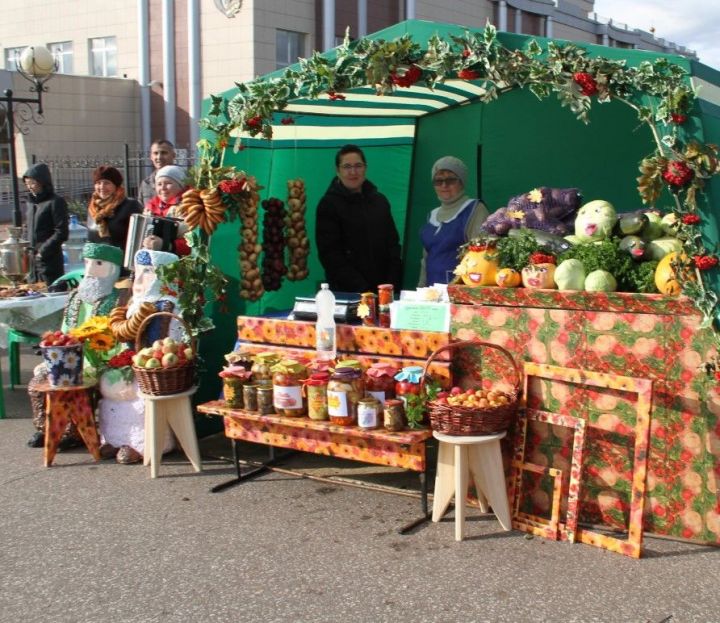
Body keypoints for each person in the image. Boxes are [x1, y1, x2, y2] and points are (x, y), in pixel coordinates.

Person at [26, 242, 125, 449]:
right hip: (70, 356)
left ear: (112, 269)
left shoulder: (119, 301)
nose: (90, 270)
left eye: (98, 264)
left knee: (84, 382)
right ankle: (45, 429)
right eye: (87, 263)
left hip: (102, 359)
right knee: (40, 379)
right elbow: (65, 331)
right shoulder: (74, 298)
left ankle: (73, 431)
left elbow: (120, 336)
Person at [102, 248, 182, 464]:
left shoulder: (168, 306)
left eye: (147, 272)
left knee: (139, 400)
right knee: (111, 391)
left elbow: (175, 340)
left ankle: (143, 444)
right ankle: (116, 438)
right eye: (138, 272)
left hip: (156, 369)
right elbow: (123, 331)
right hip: (134, 362)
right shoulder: (133, 305)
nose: (139, 280)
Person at [315, 144, 402, 293]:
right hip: (348, 292)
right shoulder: (328, 205)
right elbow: (330, 254)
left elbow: (393, 245)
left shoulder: (380, 201)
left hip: (384, 290)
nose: (353, 172)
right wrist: (362, 288)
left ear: (365, 168)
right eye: (347, 166)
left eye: (358, 166)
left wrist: (391, 283)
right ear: (338, 171)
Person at [417, 156, 489, 286]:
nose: (444, 185)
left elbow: (482, 257)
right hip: (432, 293)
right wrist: (421, 288)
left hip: (461, 291)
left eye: (450, 180)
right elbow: (425, 259)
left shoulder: (475, 209)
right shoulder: (432, 215)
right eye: (438, 181)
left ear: (461, 182)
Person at [22, 163, 69, 285]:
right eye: (27, 184)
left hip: (50, 262)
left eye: (32, 183)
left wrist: (43, 251)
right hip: (32, 263)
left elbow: (61, 232)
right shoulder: (31, 203)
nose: (30, 187)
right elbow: (27, 228)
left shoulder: (55, 202)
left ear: (42, 182)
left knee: (51, 293)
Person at [86, 165, 143, 252]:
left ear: (116, 186)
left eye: (107, 183)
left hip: (121, 261)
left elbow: (138, 238)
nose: (102, 187)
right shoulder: (93, 208)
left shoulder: (130, 205)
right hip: (97, 261)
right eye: (98, 183)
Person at [142, 164, 190, 256]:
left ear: (180, 185)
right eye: (159, 184)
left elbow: (192, 241)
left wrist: (166, 245)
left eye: (168, 183)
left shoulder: (188, 206)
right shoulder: (151, 207)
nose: (163, 188)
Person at [139, 139, 176, 207]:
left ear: (174, 155)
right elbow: (141, 210)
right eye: (155, 153)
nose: (159, 157)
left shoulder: (185, 180)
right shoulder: (146, 184)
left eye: (164, 153)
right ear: (151, 157)